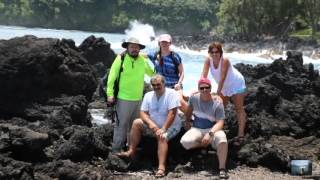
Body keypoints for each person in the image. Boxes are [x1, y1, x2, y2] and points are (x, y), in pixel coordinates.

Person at [116, 74, 182, 178]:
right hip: (154, 126)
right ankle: (131, 151)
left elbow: (172, 113)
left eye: (158, 84)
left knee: (162, 136)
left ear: (164, 84)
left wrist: (163, 128)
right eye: (154, 85)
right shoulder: (148, 95)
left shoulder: (172, 94)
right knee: (137, 122)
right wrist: (153, 126)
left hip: (171, 126)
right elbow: (143, 113)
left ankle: (161, 167)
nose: (156, 87)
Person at [107, 37, 155, 153]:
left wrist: (149, 58)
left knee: (134, 127)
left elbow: (153, 73)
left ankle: (131, 150)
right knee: (121, 125)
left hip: (138, 99)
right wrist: (110, 94)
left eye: (136, 47)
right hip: (123, 98)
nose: (134, 49)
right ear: (127, 47)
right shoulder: (121, 58)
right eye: (132, 47)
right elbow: (112, 77)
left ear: (139, 49)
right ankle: (116, 150)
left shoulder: (142, 61)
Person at [180, 77, 228, 179]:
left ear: (211, 88)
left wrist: (210, 133)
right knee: (185, 142)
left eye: (207, 87)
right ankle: (204, 145)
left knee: (222, 141)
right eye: (201, 88)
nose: (204, 90)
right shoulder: (194, 98)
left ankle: (222, 169)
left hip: (213, 129)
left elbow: (220, 122)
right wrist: (187, 121)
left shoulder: (218, 102)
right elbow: (189, 111)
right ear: (198, 89)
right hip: (197, 129)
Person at [201, 42, 247, 145]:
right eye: (211, 52)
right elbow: (204, 76)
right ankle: (216, 130)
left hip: (237, 84)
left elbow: (222, 78)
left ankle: (241, 134)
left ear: (220, 52)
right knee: (220, 108)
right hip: (225, 87)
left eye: (216, 52)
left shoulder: (225, 60)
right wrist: (201, 89)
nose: (214, 54)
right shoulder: (208, 60)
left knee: (239, 108)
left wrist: (217, 94)